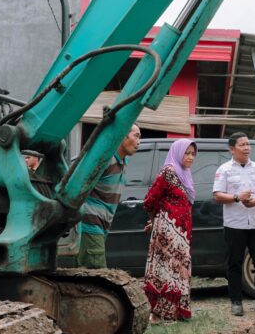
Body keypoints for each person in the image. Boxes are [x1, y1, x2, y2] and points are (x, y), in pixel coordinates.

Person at [213, 132, 255, 316]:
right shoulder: (224, 170)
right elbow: (217, 195)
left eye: (248, 144)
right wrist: (237, 197)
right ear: (232, 149)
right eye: (242, 145)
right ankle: (236, 302)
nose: (247, 148)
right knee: (234, 263)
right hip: (235, 224)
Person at [143, 138, 197, 323]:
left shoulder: (185, 175)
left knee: (179, 271)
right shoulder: (168, 173)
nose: (190, 157)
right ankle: (158, 314)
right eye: (186, 153)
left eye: (193, 154)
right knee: (165, 270)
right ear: (177, 153)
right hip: (168, 232)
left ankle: (175, 312)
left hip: (183, 233)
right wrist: (155, 220)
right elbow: (149, 200)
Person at [76, 124, 140, 268]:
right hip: (90, 223)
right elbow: (79, 184)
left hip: (102, 226)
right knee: (97, 273)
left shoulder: (123, 161)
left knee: (85, 273)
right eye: (136, 136)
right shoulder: (105, 159)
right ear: (123, 135)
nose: (138, 142)